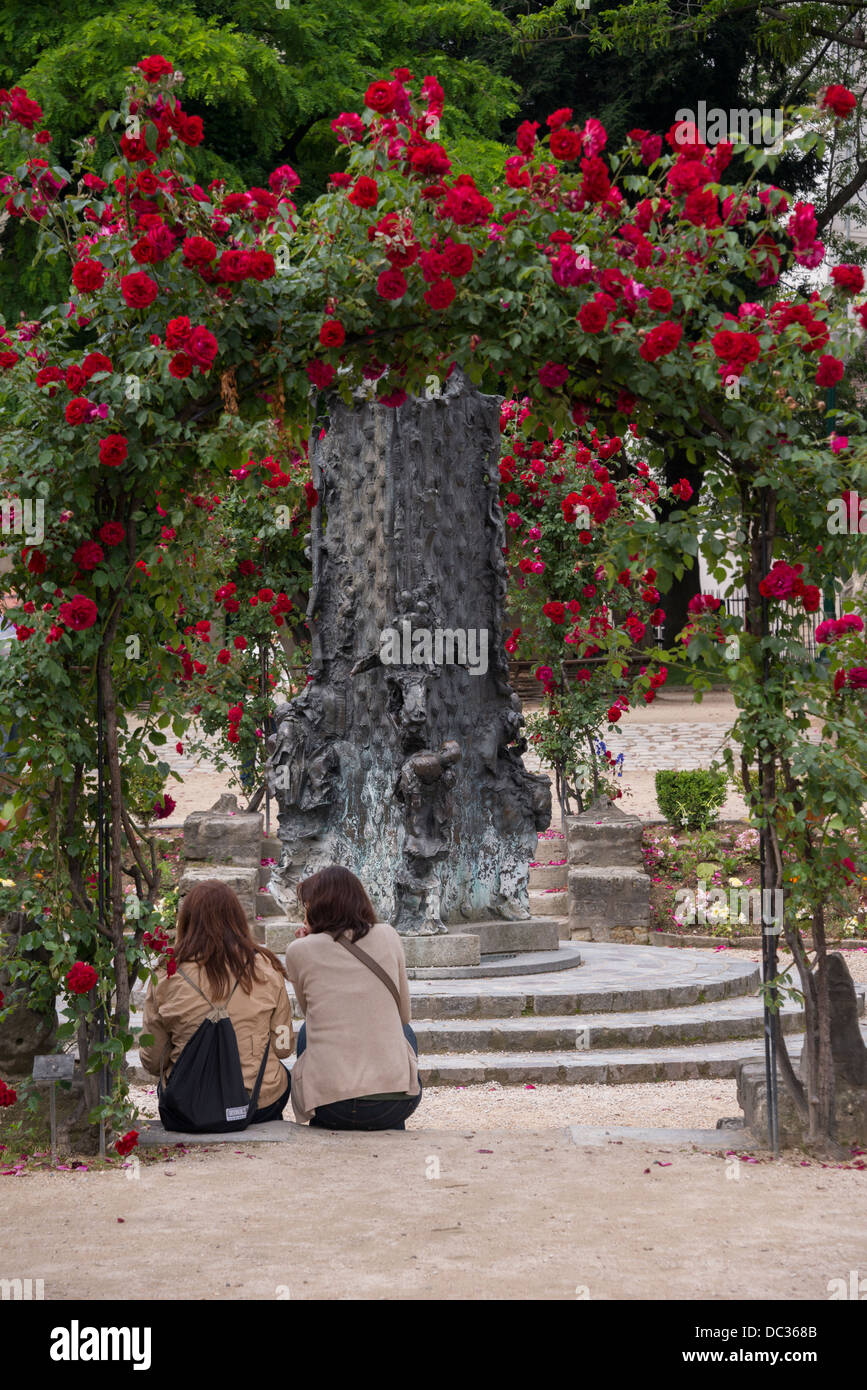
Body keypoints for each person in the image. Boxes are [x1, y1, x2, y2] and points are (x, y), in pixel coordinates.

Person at [141, 880, 294, 1122]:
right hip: (256, 1102)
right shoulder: (266, 969)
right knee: (279, 1077)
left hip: (188, 1105)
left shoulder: (166, 975)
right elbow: (284, 1047)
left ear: (187, 921)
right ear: (237, 919)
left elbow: (152, 1059)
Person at [285, 866, 422, 1130]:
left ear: (317, 907)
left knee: (306, 1031)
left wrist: (310, 942)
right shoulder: (389, 935)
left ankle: (329, 1090)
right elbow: (403, 1016)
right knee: (405, 1030)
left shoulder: (298, 950)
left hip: (331, 1108)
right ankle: (390, 1096)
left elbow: (309, 1011)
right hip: (394, 1106)